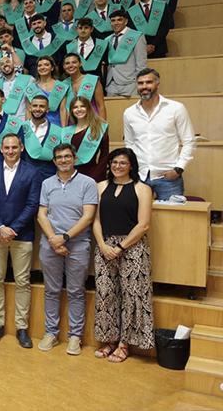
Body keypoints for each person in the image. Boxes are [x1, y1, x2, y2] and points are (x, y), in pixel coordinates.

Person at [91, 148, 154, 363]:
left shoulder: (142, 189)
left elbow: (143, 224)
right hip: (104, 246)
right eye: (114, 162)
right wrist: (102, 244)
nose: (118, 166)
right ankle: (109, 339)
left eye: (123, 163)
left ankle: (125, 343)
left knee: (132, 295)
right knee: (106, 294)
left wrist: (120, 247)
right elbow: (96, 220)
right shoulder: (101, 187)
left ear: (131, 166)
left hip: (132, 247)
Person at [36, 143, 98, 355]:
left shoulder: (87, 183)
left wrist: (65, 237)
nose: (63, 160)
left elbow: (88, 216)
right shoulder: (47, 183)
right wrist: (54, 239)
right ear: (54, 161)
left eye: (67, 157)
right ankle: (51, 333)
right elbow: (42, 214)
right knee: (51, 291)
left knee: (75, 291)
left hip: (78, 244)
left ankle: (75, 337)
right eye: (59, 157)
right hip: (50, 243)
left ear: (74, 158)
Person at [0, 134, 41, 348]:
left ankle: (21, 327)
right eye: (6, 147)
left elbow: (32, 204)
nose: (10, 151)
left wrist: (13, 228)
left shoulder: (33, 173)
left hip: (22, 234)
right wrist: (0, 227)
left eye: (14, 147)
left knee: (22, 281)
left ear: (21, 148)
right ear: (1, 149)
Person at [123, 68, 196, 200]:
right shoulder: (129, 113)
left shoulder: (176, 108)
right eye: (140, 83)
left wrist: (178, 169)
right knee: (137, 217)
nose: (144, 86)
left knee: (172, 218)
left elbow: (189, 141)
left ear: (157, 83)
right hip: (140, 176)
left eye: (148, 82)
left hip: (168, 178)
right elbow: (130, 143)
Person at [61, 96, 109, 182]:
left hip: (91, 174)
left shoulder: (99, 128)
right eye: (75, 107)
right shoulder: (66, 131)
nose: (79, 109)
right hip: (69, 175)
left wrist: (96, 176)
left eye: (82, 106)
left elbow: (104, 156)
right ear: (71, 111)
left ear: (88, 108)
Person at [106, 9, 147, 97]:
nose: (116, 23)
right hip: (111, 84)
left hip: (130, 83)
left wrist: (140, 83)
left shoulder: (136, 36)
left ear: (126, 21)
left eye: (119, 20)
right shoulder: (107, 39)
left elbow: (141, 63)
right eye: (113, 21)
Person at [21, 94, 62, 181]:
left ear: (47, 110)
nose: (38, 109)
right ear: (30, 108)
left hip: (48, 176)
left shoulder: (57, 131)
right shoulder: (21, 128)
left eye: (42, 106)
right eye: (35, 106)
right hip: (24, 176)